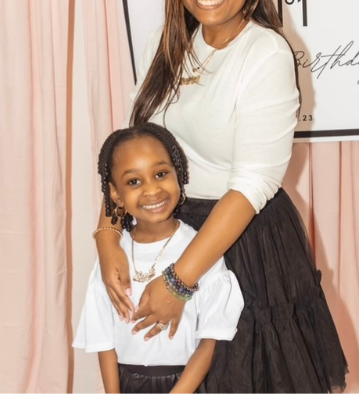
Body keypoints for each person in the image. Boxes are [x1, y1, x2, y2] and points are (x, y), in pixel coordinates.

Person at [93, 0, 348, 393]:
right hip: (160, 231)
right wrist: (107, 236)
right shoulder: (165, 46)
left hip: (238, 244)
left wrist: (178, 282)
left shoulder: (265, 54)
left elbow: (253, 185)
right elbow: (131, 154)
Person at [74, 122, 244, 393]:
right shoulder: (113, 258)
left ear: (179, 174)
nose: (152, 190)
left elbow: (211, 340)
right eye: (134, 181)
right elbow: (103, 339)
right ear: (115, 194)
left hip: (188, 385)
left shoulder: (199, 250)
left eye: (161, 173)